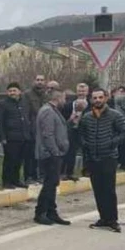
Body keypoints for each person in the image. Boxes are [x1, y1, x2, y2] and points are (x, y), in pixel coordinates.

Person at [78, 88, 125, 233]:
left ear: (106, 98)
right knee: (98, 190)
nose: (97, 100)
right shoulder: (87, 117)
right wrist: (85, 144)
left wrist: (111, 142)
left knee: (109, 190)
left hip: (109, 157)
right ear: (91, 100)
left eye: (100, 97)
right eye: (95, 98)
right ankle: (103, 218)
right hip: (93, 158)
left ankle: (112, 220)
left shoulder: (115, 115)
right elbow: (81, 134)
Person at [33, 90, 71, 226]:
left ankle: (51, 212)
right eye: (64, 98)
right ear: (58, 97)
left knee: (53, 184)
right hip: (49, 154)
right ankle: (40, 212)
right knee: (49, 184)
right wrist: (55, 152)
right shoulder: (48, 111)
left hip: (53, 153)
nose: (65, 101)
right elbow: (47, 134)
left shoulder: (53, 110)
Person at [0, 82, 30, 189]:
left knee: (19, 160)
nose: (12, 93)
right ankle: (6, 181)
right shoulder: (3, 104)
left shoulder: (24, 103)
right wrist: (2, 137)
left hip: (23, 136)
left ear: (19, 92)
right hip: (10, 137)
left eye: (14, 90)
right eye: (10, 91)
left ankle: (16, 180)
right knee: (9, 160)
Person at [21, 74, 48, 182]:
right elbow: (25, 112)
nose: (40, 82)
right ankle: (28, 176)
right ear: (34, 81)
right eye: (37, 80)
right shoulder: (27, 94)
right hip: (32, 128)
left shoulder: (46, 94)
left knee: (40, 154)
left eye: (42, 80)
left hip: (43, 129)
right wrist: (27, 129)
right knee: (29, 155)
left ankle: (39, 175)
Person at [61, 82, 89, 180]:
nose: (81, 93)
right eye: (79, 91)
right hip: (72, 130)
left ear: (87, 92)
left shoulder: (91, 105)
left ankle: (86, 170)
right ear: (76, 92)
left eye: (83, 91)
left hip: (85, 131)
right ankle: (68, 172)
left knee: (87, 150)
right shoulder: (68, 104)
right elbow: (63, 118)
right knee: (70, 152)